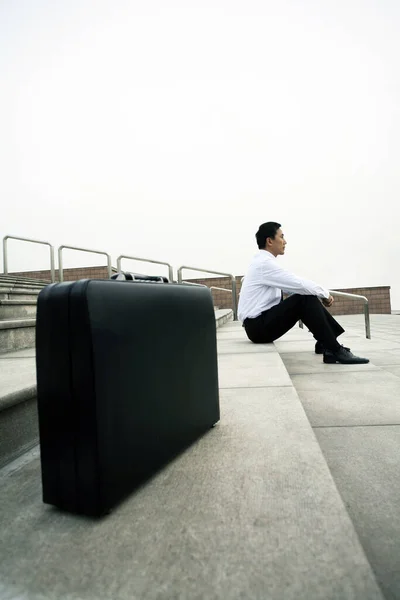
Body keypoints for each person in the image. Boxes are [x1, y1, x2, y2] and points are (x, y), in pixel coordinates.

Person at [238, 222, 369, 364]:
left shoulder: (262, 262)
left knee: (305, 296)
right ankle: (334, 349)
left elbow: (293, 287)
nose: (285, 241)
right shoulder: (264, 264)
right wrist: (324, 293)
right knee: (303, 299)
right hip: (258, 328)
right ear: (269, 241)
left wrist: (316, 293)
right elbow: (298, 283)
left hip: (257, 326)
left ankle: (326, 342)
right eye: (281, 237)